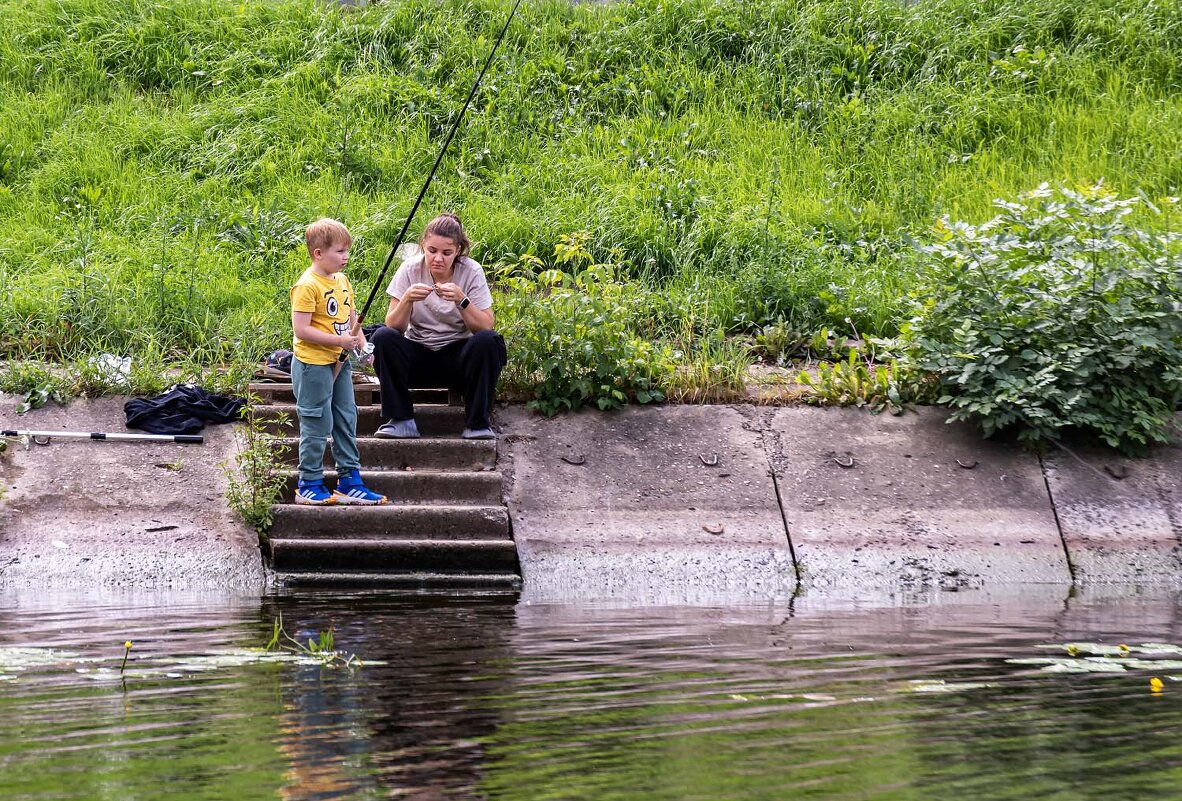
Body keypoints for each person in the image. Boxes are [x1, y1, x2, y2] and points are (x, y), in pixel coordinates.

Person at [371, 212, 507, 439]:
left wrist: (462, 300)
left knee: (490, 341)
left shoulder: (471, 270)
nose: (438, 259)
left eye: (447, 253)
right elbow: (394, 325)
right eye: (432, 251)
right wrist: (406, 300)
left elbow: (485, 326)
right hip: (418, 355)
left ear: (458, 252)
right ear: (423, 245)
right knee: (382, 337)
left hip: (457, 358)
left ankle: (477, 424)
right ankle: (401, 420)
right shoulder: (409, 269)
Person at [289, 218, 388, 505]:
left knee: (346, 417)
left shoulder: (342, 281)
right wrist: (339, 342)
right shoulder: (307, 286)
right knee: (317, 422)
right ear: (318, 253)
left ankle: (349, 480)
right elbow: (301, 330)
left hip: (341, 362)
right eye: (340, 251)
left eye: (347, 251)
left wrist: (361, 346)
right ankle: (309, 481)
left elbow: (350, 321)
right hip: (313, 366)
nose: (346, 257)